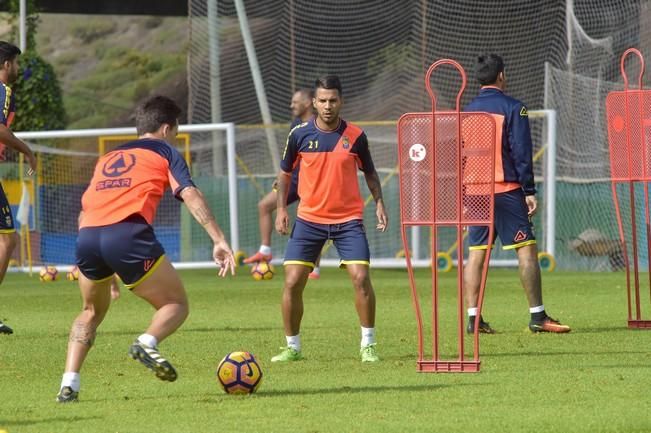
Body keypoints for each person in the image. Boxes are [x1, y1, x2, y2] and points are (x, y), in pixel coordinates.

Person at [56, 96, 235, 403]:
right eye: (176, 130)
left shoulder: (107, 158)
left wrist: (100, 261)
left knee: (89, 312)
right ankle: (146, 342)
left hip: (87, 237)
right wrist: (218, 238)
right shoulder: (166, 151)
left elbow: (85, 211)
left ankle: (69, 384)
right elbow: (189, 193)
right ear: (167, 128)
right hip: (126, 234)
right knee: (176, 304)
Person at [272, 75, 388, 363]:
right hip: (309, 220)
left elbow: (370, 173)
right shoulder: (299, 134)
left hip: (348, 220)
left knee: (361, 278)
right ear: (314, 102)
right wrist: (281, 209)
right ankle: (292, 347)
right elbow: (285, 174)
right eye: (322, 100)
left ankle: (368, 345)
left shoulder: (356, 136)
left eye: (332, 100)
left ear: (341, 101)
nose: (327, 106)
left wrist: (379, 203)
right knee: (292, 281)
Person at [463, 54, 570, 334]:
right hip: (506, 190)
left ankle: (473, 320)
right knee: (527, 250)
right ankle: (538, 317)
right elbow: (521, 152)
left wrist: (464, 192)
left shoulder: (465, 112)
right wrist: (529, 190)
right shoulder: (514, 108)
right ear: (501, 75)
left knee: (476, 254)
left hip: (474, 192)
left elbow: (460, 156)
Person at [243, 89, 322, 279]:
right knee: (264, 205)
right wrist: (283, 176)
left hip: (312, 182)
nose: (291, 105)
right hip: (294, 179)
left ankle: (315, 269)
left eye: (295, 102)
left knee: (315, 221)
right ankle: (265, 250)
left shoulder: (318, 125)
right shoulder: (295, 124)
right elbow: (291, 156)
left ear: (308, 103)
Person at [0, 41, 37, 335]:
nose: (16, 69)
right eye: (14, 63)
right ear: (6, 64)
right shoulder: (2, 90)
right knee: (7, 242)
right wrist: (28, 151)